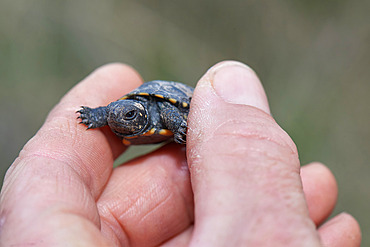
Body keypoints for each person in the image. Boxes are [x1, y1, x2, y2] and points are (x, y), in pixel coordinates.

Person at [0, 61, 361, 246]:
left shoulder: (156, 110)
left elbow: (169, 114)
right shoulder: (121, 113)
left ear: (141, 113)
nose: (124, 119)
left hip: (179, 106)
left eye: (130, 115)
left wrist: (180, 126)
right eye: (120, 116)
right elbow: (113, 112)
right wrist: (97, 116)